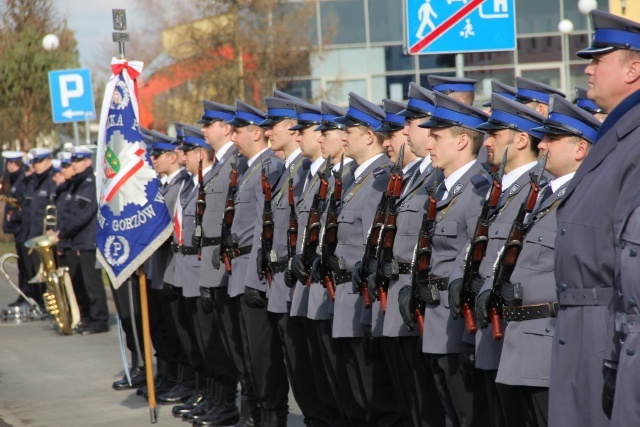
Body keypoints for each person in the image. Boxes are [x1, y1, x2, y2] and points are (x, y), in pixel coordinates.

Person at [549, 10, 640, 427]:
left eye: (598, 58)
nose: (587, 68)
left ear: (633, 68)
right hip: (584, 321)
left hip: (608, 323)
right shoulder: (617, 131)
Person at [491, 95, 599, 427]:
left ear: (580, 149)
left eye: (552, 138)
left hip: (550, 344)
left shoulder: (585, 199)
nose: (542, 146)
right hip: (521, 343)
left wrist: (522, 288)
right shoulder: (546, 196)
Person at [448, 94, 547, 427]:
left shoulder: (538, 192)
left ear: (521, 140)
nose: (486, 142)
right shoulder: (500, 192)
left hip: (517, 333)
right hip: (489, 332)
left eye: (495, 135)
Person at [329, 92, 402, 426]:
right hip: (347, 299)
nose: (343, 136)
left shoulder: (380, 179)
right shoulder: (358, 179)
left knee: (376, 396)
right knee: (355, 395)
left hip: (364, 300)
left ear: (369, 136)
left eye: (350, 130)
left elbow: (374, 249)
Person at [227, 99, 285, 426]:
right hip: (242, 270)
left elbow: (267, 229)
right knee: (249, 352)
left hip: (256, 270)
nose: (233, 139)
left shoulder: (270, 168)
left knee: (264, 355)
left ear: (256, 133)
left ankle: (271, 415)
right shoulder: (253, 169)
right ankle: (258, 413)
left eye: (238, 132)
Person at [57, 146, 109, 335]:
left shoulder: (89, 183)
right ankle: (89, 317)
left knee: (92, 283)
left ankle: (100, 319)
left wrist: (62, 233)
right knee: (84, 283)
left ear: (88, 162)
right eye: (74, 162)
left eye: (78, 161)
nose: (75, 165)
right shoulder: (78, 183)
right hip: (80, 240)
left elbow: (83, 215)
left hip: (89, 240)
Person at [1, 151, 29, 307]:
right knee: (22, 266)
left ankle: (29, 296)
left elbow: (24, 205)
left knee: (27, 267)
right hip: (18, 229)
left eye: (9, 164)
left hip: (23, 228)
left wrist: (14, 216)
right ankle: (23, 295)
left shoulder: (22, 180)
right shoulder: (14, 179)